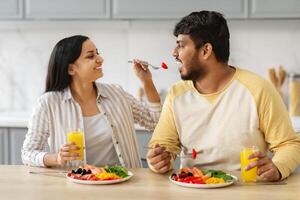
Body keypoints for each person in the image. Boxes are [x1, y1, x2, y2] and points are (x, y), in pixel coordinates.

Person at [147, 11, 300, 181]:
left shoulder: (258, 89)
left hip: (245, 190)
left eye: (181, 45)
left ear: (206, 51)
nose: (174, 53)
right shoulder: (176, 94)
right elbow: (162, 148)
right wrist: (157, 161)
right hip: (193, 187)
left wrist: (277, 167)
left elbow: (289, 144)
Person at [22, 35, 161, 168]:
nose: (100, 59)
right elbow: (28, 153)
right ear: (71, 69)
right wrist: (57, 158)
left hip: (123, 182)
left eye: (97, 53)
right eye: (90, 56)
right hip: (76, 187)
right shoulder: (49, 103)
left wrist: (146, 81)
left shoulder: (117, 94)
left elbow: (155, 122)